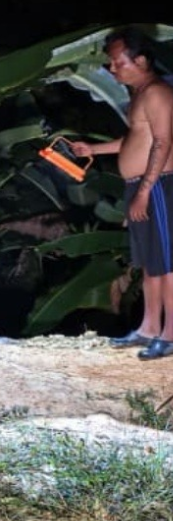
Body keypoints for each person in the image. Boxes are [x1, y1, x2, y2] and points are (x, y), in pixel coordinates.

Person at [70, 26, 173, 360]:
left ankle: (169, 335)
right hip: (141, 186)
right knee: (150, 266)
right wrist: (93, 149)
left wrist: (144, 190)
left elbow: (162, 141)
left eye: (117, 62)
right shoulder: (139, 94)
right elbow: (136, 141)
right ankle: (148, 329)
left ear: (140, 59)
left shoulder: (157, 92)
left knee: (167, 264)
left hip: (158, 185)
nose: (111, 69)